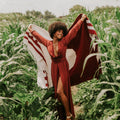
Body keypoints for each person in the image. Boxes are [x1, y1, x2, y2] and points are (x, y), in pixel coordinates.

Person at [28, 14, 87, 120]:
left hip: (63, 66)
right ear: (53, 33)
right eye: (58, 31)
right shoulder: (48, 43)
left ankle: (69, 114)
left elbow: (73, 31)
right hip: (54, 68)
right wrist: (31, 31)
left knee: (60, 91)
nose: (61, 33)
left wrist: (81, 20)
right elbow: (38, 37)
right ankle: (62, 114)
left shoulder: (64, 41)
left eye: (62, 31)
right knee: (57, 93)